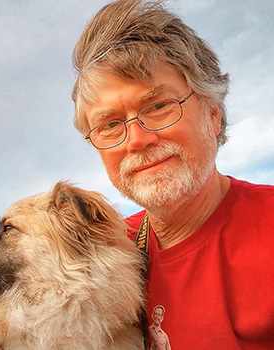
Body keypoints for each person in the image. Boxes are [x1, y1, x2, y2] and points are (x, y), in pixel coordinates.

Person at [71, 0, 274, 349]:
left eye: (159, 106)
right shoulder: (108, 250)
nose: (137, 140)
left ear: (213, 114)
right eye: (109, 125)